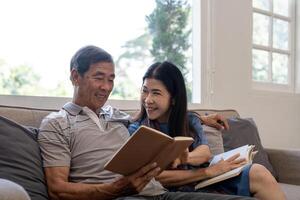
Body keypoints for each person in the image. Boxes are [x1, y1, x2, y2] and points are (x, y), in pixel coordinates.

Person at [37, 45, 254, 200]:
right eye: (98, 77)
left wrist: (200, 118)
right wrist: (115, 190)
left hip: (160, 193)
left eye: (111, 79)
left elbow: (157, 111)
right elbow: (58, 190)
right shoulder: (57, 123)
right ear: (76, 77)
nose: (106, 86)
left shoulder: (118, 116)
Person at [128, 61, 286, 200]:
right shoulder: (138, 129)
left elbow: (204, 152)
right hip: (178, 188)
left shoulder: (190, 120)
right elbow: (155, 177)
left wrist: (184, 158)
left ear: (174, 98)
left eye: (156, 93)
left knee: (259, 172)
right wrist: (208, 172)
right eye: (144, 91)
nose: (147, 100)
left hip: (203, 180)